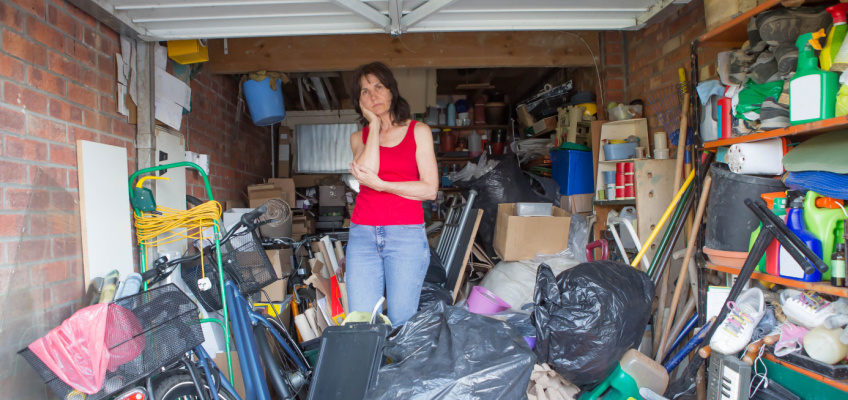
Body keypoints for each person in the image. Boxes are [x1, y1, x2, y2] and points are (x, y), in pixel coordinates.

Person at [346, 62, 439, 327]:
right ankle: (370, 370)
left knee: (401, 321)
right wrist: (374, 125)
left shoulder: (418, 131)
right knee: (360, 322)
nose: (373, 95)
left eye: (378, 87)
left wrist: (383, 185)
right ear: (359, 101)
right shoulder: (358, 137)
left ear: (391, 91)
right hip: (362, 235)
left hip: (405, 236)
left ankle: (400, 369)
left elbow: (430, 190)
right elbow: (367, 170)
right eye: (364, 91)